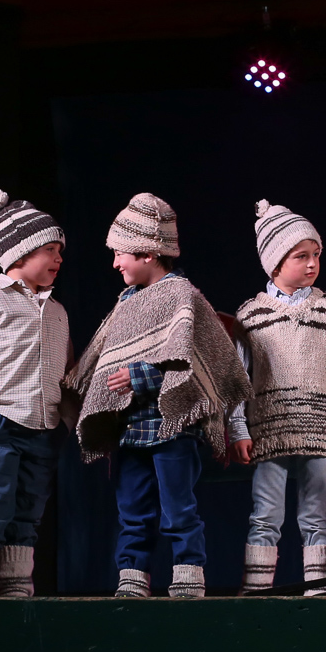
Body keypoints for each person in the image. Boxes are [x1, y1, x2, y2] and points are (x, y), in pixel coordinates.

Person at [64, 193, 251, 598]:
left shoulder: (182, 296)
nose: (115, 263)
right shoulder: (126, 302)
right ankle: (133, 576)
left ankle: (188, 573)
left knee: (179, 508)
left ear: (148, 253)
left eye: (120, 254)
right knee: (132, 510)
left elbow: (198, 361)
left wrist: (143, 376)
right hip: (130, 430)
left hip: (172, 427)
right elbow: (106, 357)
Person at [230, 200, 326, 595]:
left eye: (316, 254)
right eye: (300, 256)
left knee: (316, 516)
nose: (312, 264)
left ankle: (320, 592)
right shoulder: (252, 315)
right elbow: (237, 381)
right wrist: (238, 428)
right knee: (265, 516)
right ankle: (256, 594)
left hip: (320, 431)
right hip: (270, 431)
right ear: (274, 263)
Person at [0, 191, 71, 598]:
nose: (58, 259)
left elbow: (65, 371)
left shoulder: (57, 310)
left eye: (60, 252)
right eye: (50, 250)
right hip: (0, 425)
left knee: (29, 510)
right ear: (21, 250)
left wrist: (67, 419)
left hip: (44, 428)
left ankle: (15, 580)